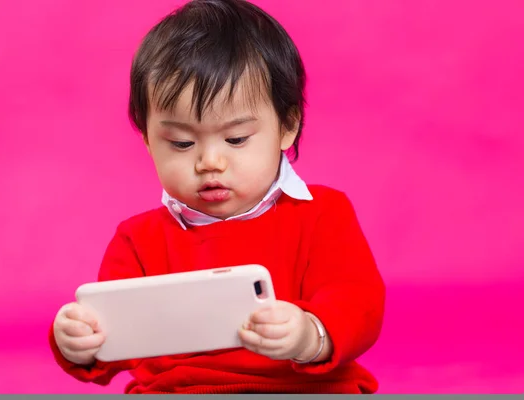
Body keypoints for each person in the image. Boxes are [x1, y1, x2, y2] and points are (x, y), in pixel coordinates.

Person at [49, 0, 385, 394]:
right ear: (146, 139)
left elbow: (356, 301)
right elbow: (115, 333)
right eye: (182, 142)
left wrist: (310, 336)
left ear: (287, 126)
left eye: (236, 139)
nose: (210, 161)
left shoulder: (323, 214)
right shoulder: (137, 240)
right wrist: (79, 341)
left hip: (301, 387)